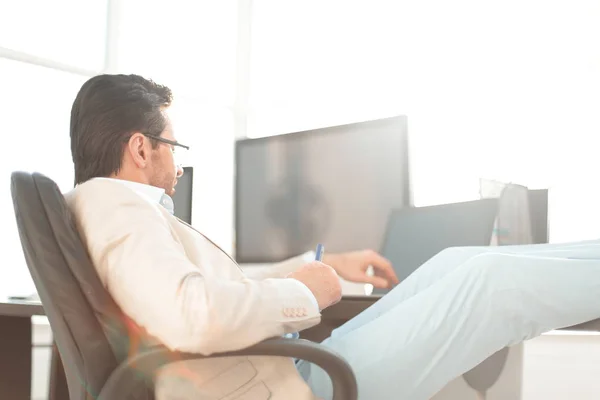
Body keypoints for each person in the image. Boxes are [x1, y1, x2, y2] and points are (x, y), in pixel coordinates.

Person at [65, 74, 600, 400]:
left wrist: (321, 265)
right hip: (281, 388)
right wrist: (304, 291)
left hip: (276, 371)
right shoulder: (118, 210)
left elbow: (200, 292)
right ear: (140, 149)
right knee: (489, 282)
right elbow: (195, 315)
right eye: (173, 149)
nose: (179, 167)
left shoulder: (110, 212)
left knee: (456, 262)